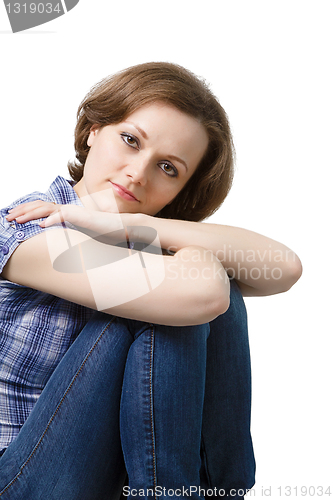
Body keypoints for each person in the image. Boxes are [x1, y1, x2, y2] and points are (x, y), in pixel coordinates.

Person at [0, 62, 302, 500]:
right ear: (93, 129)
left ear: (183, 190)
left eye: (168, 168)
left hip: (107, 482)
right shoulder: (25, 227)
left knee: (206, 280)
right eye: (130, 140)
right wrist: (174, 249)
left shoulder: (140, 240)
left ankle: (220, 491)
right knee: (178, 296)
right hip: (23, 481)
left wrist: (136, 227)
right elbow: (199, 293)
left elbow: (285, 267)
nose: (138, 173)